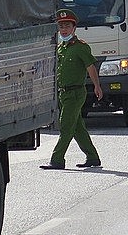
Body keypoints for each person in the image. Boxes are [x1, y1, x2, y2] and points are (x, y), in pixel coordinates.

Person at [40, 9, 103, 170]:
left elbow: (91, 67)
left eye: (67, 26)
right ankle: (93, 157)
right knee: (77, 127)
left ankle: (57, 160)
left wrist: (97, 85)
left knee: (66, 126)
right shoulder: (61, 48)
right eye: (61, 26)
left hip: (75, 93)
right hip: (63, 93)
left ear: (74, 28)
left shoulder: (80, 47)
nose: (64, 30)